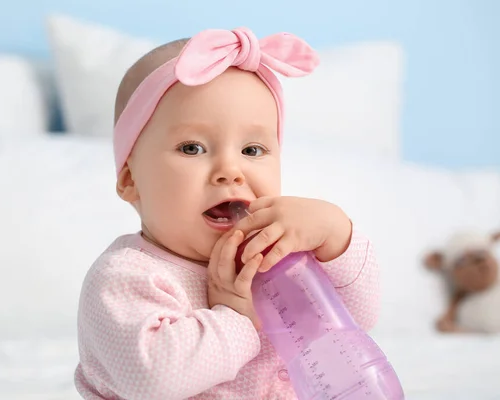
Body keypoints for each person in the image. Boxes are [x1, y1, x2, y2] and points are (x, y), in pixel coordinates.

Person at [74, 27, 380, 399]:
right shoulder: (127, 278)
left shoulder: (276, 257)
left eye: (252, 150)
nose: (230, 170)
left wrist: (337, 238)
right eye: (192, 148)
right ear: (130, 181)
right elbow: (152, 380)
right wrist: (233, 318)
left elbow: (359, 319)